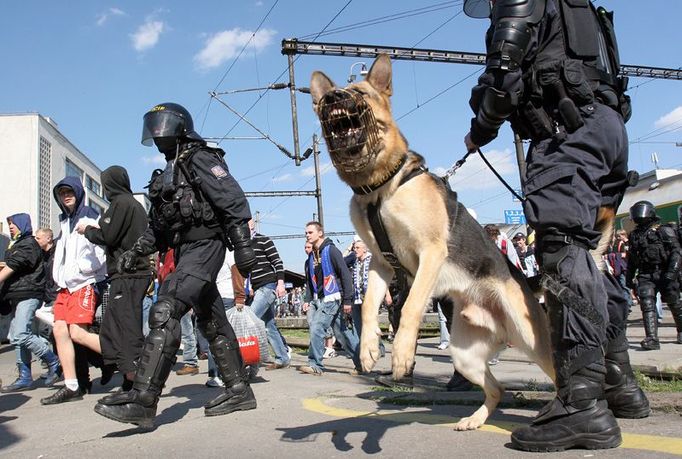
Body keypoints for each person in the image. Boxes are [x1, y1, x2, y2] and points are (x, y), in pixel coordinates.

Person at [463, 0, 647, 451]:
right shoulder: (577, 8)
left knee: (562, 255)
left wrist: (481, 128)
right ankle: (618, 384)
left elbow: (504, 72)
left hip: (568, 131)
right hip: (606, 129)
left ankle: (582, 405)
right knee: (584, 258)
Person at [94, 102, 257, 428]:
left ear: (178, 127)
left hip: (205, 247)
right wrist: (135, 251)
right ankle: (239, 389)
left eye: (162, 126)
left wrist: (243, 247)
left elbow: (232, 199)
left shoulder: (200, 158)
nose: (157, 134)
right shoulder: (171, 171)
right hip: (186, 251)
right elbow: (158, 226)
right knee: (211, 322)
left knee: (165, 309)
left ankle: (143, 398)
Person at [76, 165, 153, 393]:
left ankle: (134, 378)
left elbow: (108, 235)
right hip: (132, 273)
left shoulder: (120, 203)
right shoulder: (133, 204)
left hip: (128, 274)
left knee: (124, 326)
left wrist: (87, 230)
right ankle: (118, 367)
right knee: (114, 326)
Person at [41, 178, 108, 405]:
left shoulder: (89, 215)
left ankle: (127, 361)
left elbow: (101, 251)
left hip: (84, 283)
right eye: (62, 193)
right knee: (60, 331)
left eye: (70, 191)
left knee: (78, 334)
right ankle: (72, 386)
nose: (66, 196)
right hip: (65, 286)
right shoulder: (65, 220)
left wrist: (80, 270)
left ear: (78, 193)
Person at [0, 214, 61, 392]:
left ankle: (52, 360)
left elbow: (12, 267)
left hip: (28, 294)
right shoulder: (17, 244)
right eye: (9, 224)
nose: (10, 227)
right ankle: (25, 377)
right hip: (17, 295)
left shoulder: (28, 244)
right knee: (17, 339)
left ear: (22, 225)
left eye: (13, 224)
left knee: (20, 334)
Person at [299, 221, 360, 375]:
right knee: (343, 334)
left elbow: (345, 274)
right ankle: (362, 363)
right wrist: (308, 300)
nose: (307, 235)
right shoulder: (312, 257)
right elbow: (310, 282)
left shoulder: (331, 251)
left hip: (332, 297)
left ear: (320, 233)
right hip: (321, 298)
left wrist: (347, 299)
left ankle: (315, 365)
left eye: (310, 232)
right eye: (306, 233)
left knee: (317, 327)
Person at [626, 201, 682, 349]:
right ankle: (652, 338)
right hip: (646, 274)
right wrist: (629, 278)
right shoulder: (634, 235)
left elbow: (677, 252)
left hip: (664, 272)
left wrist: (672, 272)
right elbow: (631, 259)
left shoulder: (663, 231)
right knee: (647, 304)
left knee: (674, 303)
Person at [246, 219, 291, 370]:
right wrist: (250, 286)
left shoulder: (263, 240)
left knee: (250, 320)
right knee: (268, 325)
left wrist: (280, 283)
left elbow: (277, 262)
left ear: (252, 224)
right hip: (258, 288)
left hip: (268, 285)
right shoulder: (244, 245)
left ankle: (249, 359)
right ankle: (282, 358)